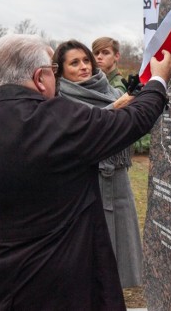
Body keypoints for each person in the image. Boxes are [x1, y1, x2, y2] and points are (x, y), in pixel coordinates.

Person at [0, 34, 171, 310]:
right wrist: (158, 80)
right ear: (40, 77)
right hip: (57, 288)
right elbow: (131, 121)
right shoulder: (61, 119)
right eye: (53, 72)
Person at [54, 39, 142, 288]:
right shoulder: (59, 99)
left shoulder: (112, 91)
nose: (83, 66)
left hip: (116, 182)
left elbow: (130, 128)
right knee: (85, 266)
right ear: (61, 70)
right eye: (74, 63)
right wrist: (120, 107)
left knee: (116, 263)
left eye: (86, 61)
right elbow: (86, 127)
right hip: (82, 188)